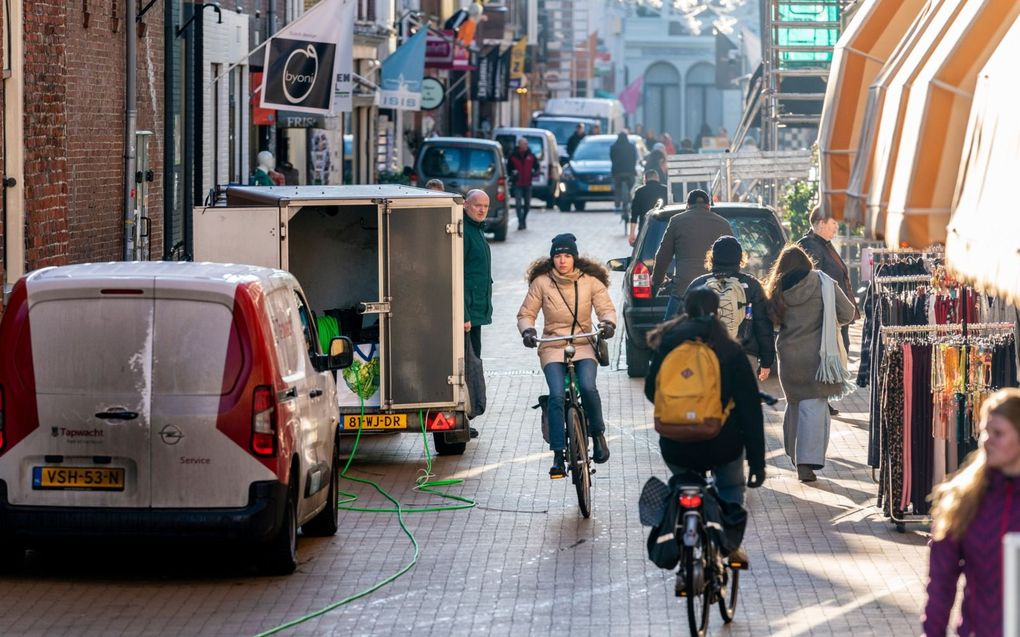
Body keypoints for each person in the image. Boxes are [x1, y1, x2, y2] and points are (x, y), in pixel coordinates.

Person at [643, 287, 766, 566]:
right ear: (716, 311)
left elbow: (652, 390)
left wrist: (682, 408)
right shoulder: (729, 348)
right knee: (731, 486)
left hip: (676, 443)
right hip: (721, 442)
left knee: (684, 480)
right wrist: (758, 463)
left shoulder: (668, 343)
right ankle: (730, 546)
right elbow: (749, 409)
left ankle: (677, 519)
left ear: (685, 309)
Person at [517, 233, 617, 477]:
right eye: (558, 256)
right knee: (556, 395)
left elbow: (606, 308)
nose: (562, 261)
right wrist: (528, 331)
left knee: (588, 386)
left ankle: (598, 435)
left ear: (575, 257)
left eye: (567, 256)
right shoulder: (541, 282)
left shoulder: (590, 281)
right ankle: (558, 455)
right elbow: (526, 314)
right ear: (552, 258)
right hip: (552, 345)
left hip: (583, 343)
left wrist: (607, 324)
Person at [923, 388, 1020, 637]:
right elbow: (941, 585)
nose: (987, 440)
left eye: (998, 433)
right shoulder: (963, 499)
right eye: (986, 430)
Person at [764, 245, 855, 482]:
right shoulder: (823, 282)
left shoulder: (777, 288)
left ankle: (794, 455)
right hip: (818, 357)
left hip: (788, 358)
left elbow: (772, 322)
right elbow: (848, 313)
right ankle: (807, 462)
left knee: (794, 405)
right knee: (813, 408)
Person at [685, 236, 776, 383]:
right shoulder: (752, 285)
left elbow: (684, 323)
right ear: (740, 258)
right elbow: (763, 325)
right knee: (742, 400)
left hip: (706, 354)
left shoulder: (698, 284)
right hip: (744, 354)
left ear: (712, 258)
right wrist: (766, 361)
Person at [653, 189, 734, 320]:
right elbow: (733, 255)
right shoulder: (723, 223)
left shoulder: (676, 221)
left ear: (687, 206)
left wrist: (657, 280)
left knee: (669, 333)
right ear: (709, 206)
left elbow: (663, 256)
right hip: (716, 291)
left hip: (683, 289)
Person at [798, 206, 860, 353]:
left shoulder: (823, 245)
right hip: (825, 320)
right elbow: (811, 283)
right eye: (833, 223)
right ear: (821, 223)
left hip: (835, 317)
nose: (837, 227)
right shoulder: (810, 245)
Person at [629, 168, 668, 246]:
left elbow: (634, 214)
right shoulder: (666, 190)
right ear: (658, 178)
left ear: (645, 179)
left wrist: (632, 234)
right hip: (663, 230)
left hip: (645, 230)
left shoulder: (639, 192)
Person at [507, 137, 539, 230]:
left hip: (528, 183)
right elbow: (508, 169)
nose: (526, 146)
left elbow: (537, 167)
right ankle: (520, 222)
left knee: (527, 205)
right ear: (519, 145)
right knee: (518, 204)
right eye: (524, 144)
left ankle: (523, 219)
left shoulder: (531, 156)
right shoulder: (512, 156)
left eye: (526, 144)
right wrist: (513, 174)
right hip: (517, 183)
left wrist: (534, 172)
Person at [610, 132, 638, 220]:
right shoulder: (631, 147)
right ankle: (630, 201)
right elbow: (635, 158)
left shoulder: (613, 147)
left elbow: (612, 158)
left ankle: (617, 204)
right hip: (630, 172)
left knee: (617, 187)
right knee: (631, 187)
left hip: (617, 172)